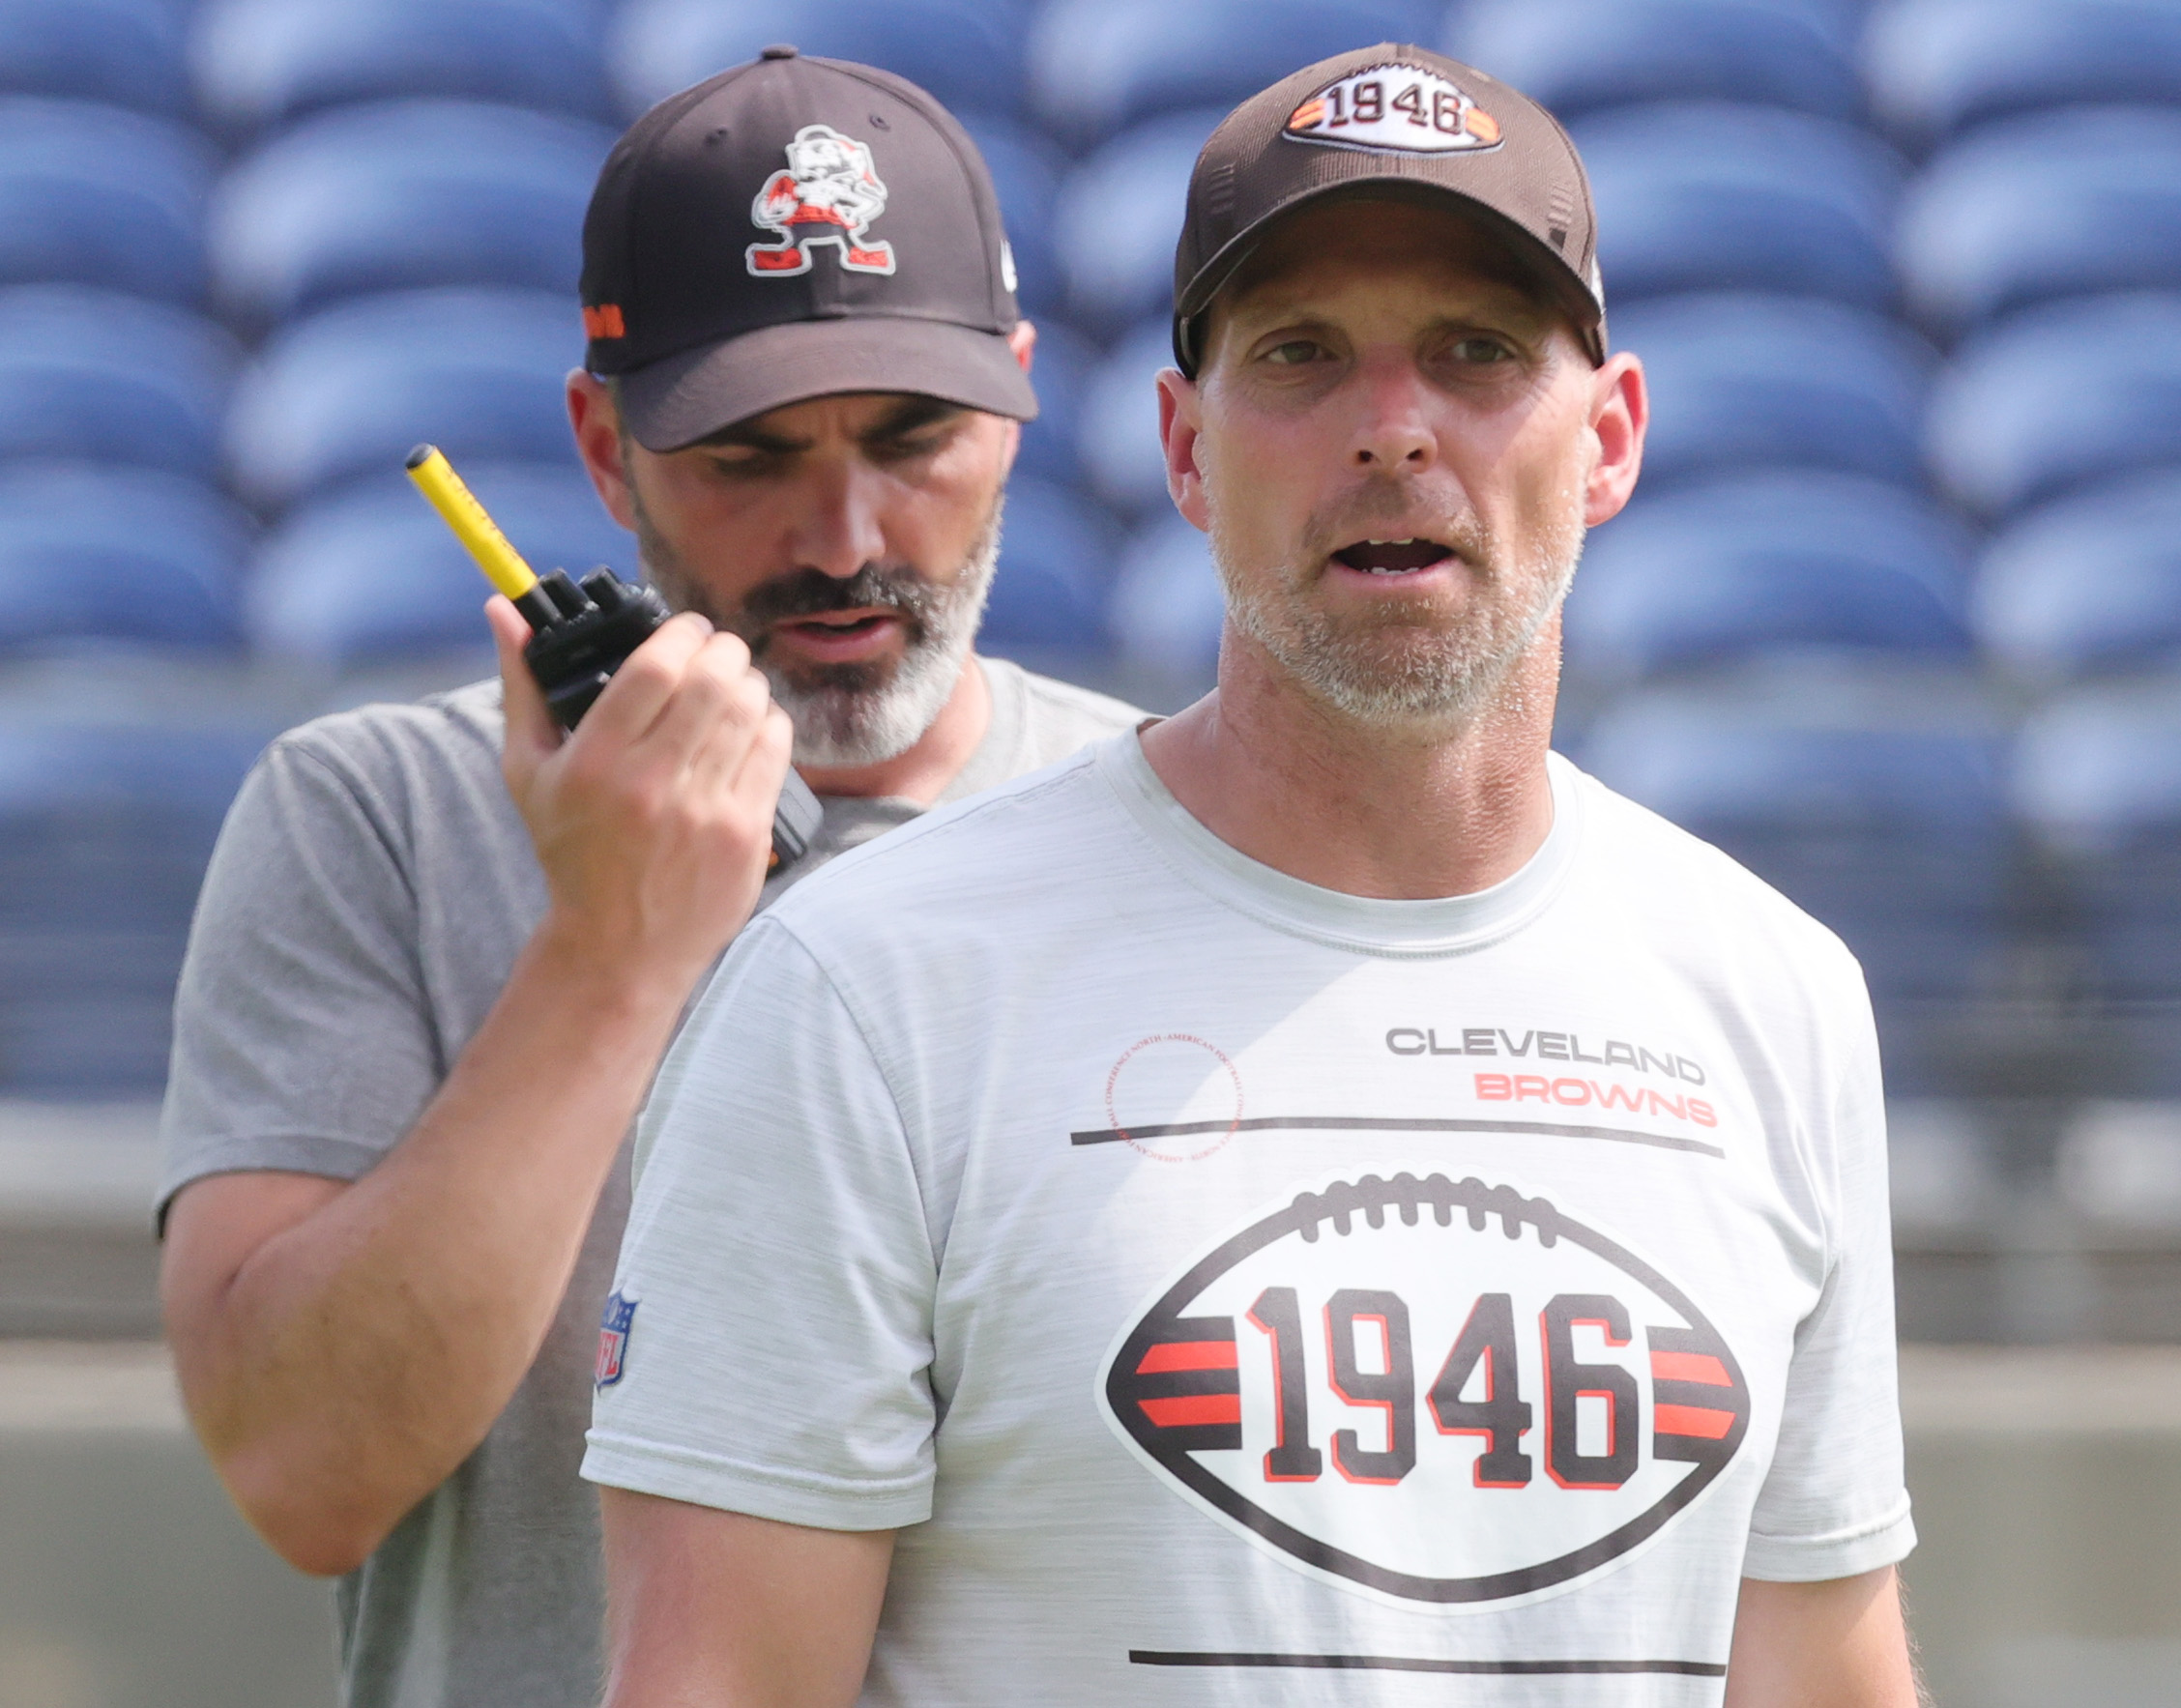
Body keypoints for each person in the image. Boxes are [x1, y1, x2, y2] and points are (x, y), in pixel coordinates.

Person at [584, 44, 1924, 1708]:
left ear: (1611, 437)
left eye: (1477, 352)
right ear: (1187, 449)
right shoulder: (866, 994)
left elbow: (1817, 1672)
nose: (1390, 430)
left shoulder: (1775, 995)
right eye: (1299, 356)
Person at [156, 48, 1141, 1708]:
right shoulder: (375, 813)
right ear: (603, 452)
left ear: (1019, 398)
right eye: (749, 456)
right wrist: (613, 954)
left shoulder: (1165, 827)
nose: (844, 533)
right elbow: (304, 1474)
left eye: (917, 440)